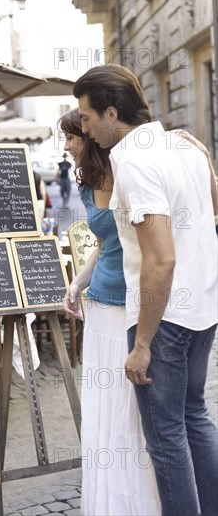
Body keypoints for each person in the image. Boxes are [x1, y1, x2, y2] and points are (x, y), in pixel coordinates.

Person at [72, 63, 218, 516]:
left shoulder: (132, 159)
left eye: (87, 117)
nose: (86, 127)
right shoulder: (183, 145)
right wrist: (207, 163)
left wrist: (143, 343)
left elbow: (161, 258)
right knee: (194, 418)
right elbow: (212, 208)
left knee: (167, 437)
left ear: (111, 113)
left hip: (167, 316)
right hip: (203, 307)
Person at [60, 108, 161, 515]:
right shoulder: (88, 184)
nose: (68, 144)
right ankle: (109, 501)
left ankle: (141, 500)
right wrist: (77, 283)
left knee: (131, 409)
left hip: (133, 306)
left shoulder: (130, 174)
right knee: (103, 404)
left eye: (73, 135)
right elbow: (104, 242)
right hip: (100, 305)